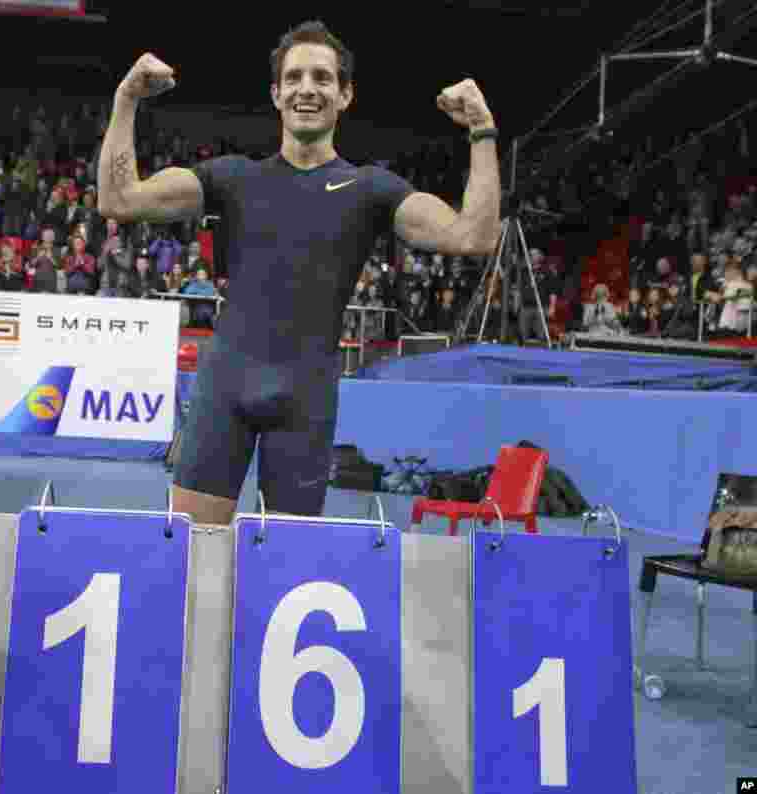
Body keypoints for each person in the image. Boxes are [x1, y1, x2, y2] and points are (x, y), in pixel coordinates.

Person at [97, 20, 500, 524]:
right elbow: (118, 198)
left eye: (321, 78)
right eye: (294, 78)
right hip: (224, 391)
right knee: (193, 555)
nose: (306, 89)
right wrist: (126, 98)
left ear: (345, 94)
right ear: (275, 94)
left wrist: (482, 131)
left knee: (285, 571)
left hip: (304, 404)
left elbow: (475, 236)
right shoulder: (233, 178)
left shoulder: (371, 189)